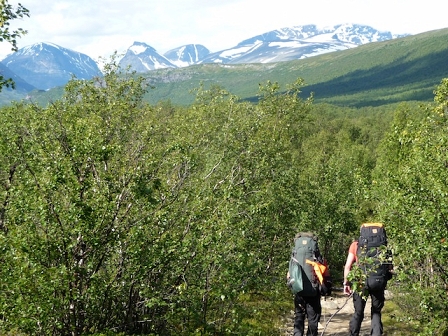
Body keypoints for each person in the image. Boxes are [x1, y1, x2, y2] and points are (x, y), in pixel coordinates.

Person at [343, 227, 392, 336]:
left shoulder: (355, 245)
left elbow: (347, 266)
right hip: (378, 282)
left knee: (358, 313)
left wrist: (346, 283)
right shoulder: (384, 246)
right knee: (376, 312)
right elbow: (389, 267)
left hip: (361, 283)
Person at [287, 232, 332, 336]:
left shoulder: (295, 255)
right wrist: (327, 287)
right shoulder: (316, 256)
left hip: (299, 290)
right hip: (313, 291)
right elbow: (324, 271)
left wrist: (291, 285)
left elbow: (289, 274)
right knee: (313, 320)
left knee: (299, 317)